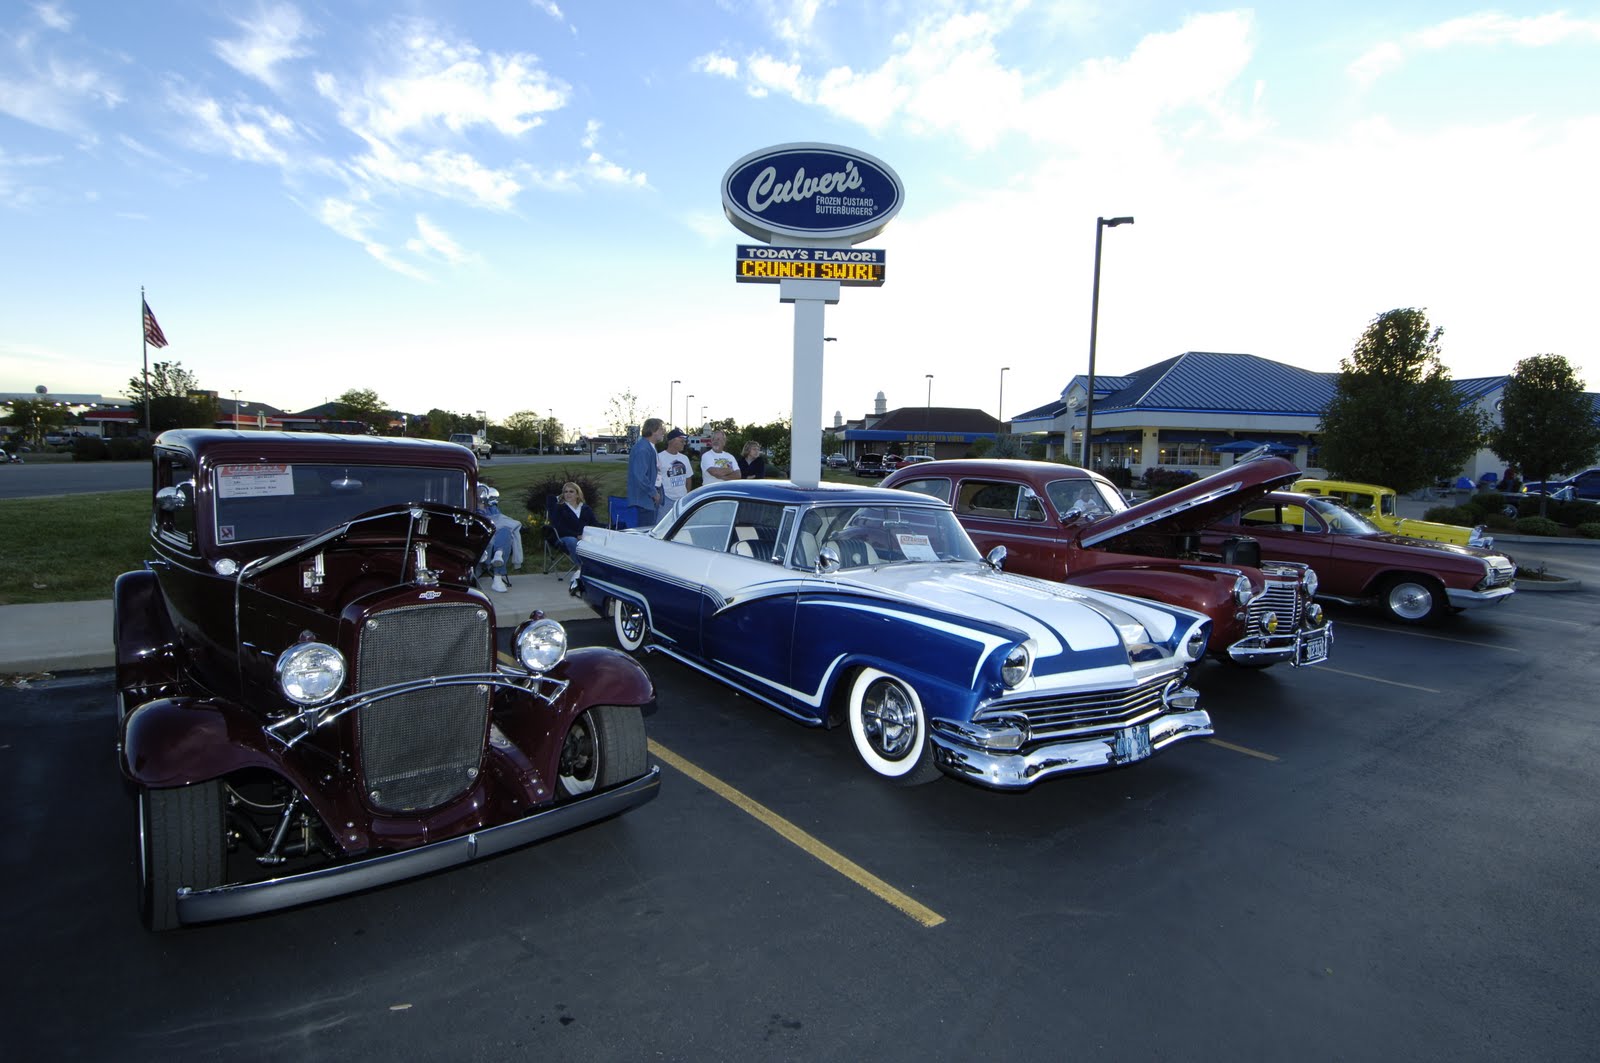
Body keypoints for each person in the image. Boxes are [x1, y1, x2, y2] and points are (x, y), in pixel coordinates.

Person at [550, 481, 600, 564]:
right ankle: (583, 568)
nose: (568, 494)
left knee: (600, 540)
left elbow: (594, 524)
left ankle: (599, 567)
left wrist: (608, 528)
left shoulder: (585, 508)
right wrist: (576, 536)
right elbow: (559, 527)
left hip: (584, 537)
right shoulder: (559, 508)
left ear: (577, 494)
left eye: (571, 491)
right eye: (565, 492)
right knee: (572, 541)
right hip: (564, 538)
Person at [628, 418, 665, 526]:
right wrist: (653, 493)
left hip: (650, 498)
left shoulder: (650, 447)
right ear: (653, 430)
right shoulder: (643, 449)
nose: (663, 432)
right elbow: (639, 476)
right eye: (661, 429)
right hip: (646, 499)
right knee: (645, 533)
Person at [658, 429, 694, 505]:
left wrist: (686, 495)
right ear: (672, 441)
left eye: (684, 441)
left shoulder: (684, 458)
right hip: (666, 500)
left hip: (682, 500)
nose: (684, 443)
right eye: (681, 441)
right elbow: (655, 480)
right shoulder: (659, 458)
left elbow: (688, 479)